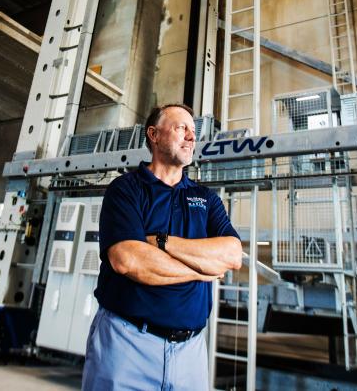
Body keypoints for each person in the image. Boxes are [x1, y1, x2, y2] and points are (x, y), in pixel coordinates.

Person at [82, 104, 242, 390]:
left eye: (194, 131)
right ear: (153, 135)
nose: (192, 137)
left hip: (191, 352)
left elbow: (232, 254)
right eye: (182, 128)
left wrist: (162, 242)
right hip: (127, 343)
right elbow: (128, 261)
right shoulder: (125, 189)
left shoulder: (205, 198)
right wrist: (202, 270)